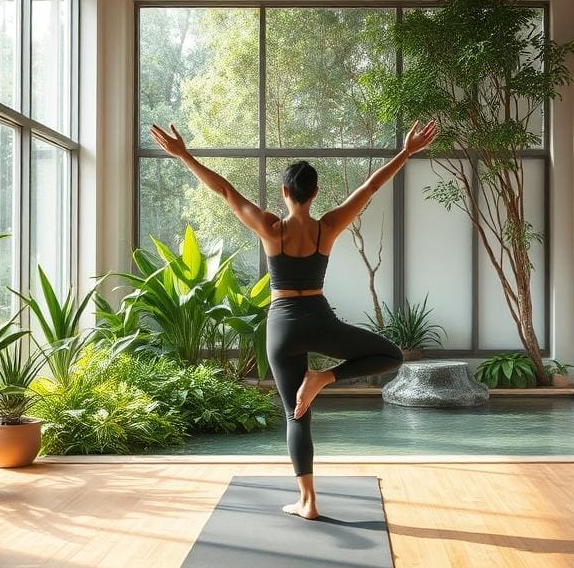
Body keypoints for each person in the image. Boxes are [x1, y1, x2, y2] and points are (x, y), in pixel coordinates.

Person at [149, 119, 439, 519]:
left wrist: (184, 155)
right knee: (391, 354)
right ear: (316, 193)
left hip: (282, 325)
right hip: (320, 320)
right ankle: (323, 379)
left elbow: (224, 191)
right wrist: (405, 152)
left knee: (295, 413)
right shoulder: (328, 227)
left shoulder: (270, 227)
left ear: (285, 192)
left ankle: (308, 501)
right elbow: (370, 187)